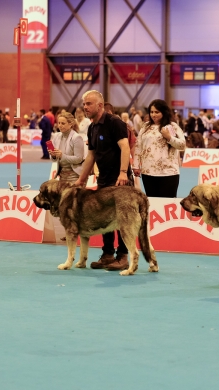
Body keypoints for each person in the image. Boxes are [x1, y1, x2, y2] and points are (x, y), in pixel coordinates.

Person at [73, 90, 133, 271]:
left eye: (88, 104)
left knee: (122, 220)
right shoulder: (92, 127)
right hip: (103, 180)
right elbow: (91, 155)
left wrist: (123, 173)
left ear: (100, 105)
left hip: (119, 181)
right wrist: (81, 180)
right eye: (84, 104)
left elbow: (125, 148)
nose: (85, 107)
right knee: (104, 217)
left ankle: (122, 256)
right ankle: (107, 254)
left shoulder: (115, 123)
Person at [133, 99, 186, 198]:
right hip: (148, 172)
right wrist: (136, 165)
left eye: (157, 112)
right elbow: (138, 146)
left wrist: (169, 137)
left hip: (169, 172)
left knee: (167, 203)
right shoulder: (145, 127)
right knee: (152, 203)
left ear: (164, 112)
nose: (153, 115)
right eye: (152, 112)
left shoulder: (172, 126)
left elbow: (182, 145)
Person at [49, 112, 85, 183]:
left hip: (75, 175)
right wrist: (53, 156)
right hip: (62, 175)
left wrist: (62, 156)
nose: (60, 125)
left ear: (70, 124)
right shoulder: (56, 136)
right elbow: (54, 160)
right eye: (59, 123)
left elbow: (79, 158)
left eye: (63, 123)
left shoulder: (77, 138)